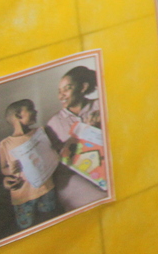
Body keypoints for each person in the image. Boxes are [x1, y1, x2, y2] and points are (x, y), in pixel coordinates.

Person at [44, 66, 105, 211]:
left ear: (83, 87)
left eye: (67, 88)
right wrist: (86, 132)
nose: (61, 96)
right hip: (72, 175)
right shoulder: (54, 123)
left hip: (105, 165)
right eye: (59, 91)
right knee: (100, 201)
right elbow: (54, 161)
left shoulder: (101, 104)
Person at [0, 99, 61, 230]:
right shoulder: (5, 144)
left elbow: (55, 150)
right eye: (31, 109)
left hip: (46, 188)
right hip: (23, 194)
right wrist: (10, 170)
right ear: (18, 115)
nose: (36, 111)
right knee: (26, 227)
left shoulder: (41, 132)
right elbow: (3, 168)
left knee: (49, 220)